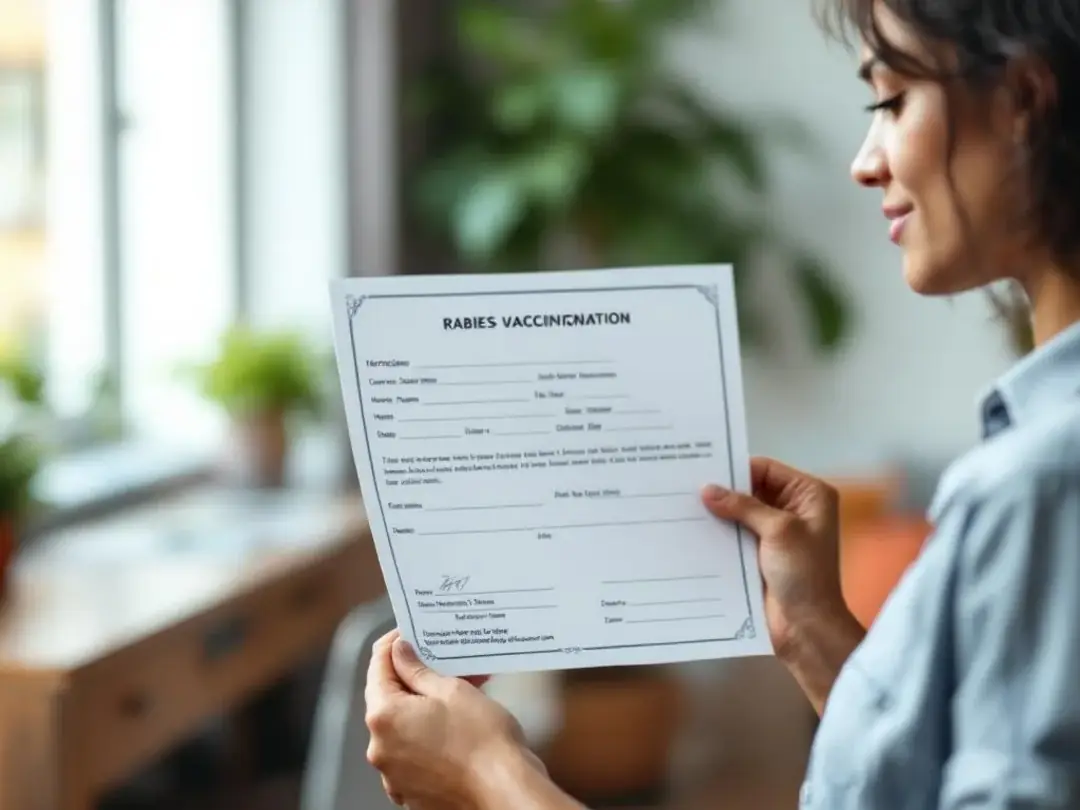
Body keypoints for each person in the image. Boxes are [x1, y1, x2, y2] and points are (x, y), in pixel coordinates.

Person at [362, 0, 1080, 806]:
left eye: (892, 99)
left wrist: (493, 780)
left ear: (1025, 100)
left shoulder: (1041, 483)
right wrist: (812, 631)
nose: (865, 161)